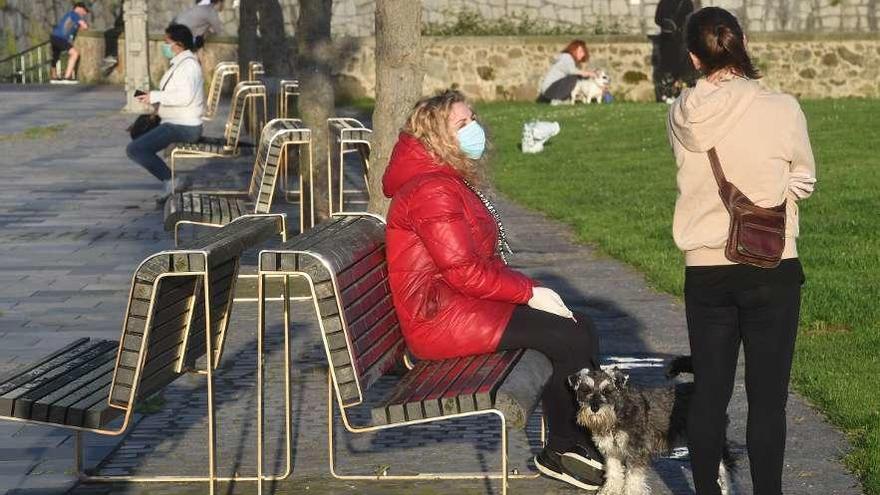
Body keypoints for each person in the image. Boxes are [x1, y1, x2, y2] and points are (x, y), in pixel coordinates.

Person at [382, 89, 605, 491]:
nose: (475, 130)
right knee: (569, 334)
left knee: (579, 324)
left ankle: (577, 440)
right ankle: (564, 448)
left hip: (456, 306)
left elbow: (469, 268)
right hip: (440, 319)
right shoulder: (431, 189)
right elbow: (463, 271)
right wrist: (528, 292)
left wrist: (528, 291)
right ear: (436, 136)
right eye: (462, 124)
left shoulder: (444, 179)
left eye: (473, 119)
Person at [666, 7, 816, 495]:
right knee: (768, 399)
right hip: (770, 263)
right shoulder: (782, 107)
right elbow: (805, 177)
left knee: (710, 393)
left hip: (705, 268)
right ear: (743, 41)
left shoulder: (680, 113)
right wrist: (778, 194)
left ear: (693, 57)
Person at [126, 24, 205, 199]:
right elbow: (172, 94)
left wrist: (155, 96)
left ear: (178, 44)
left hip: (184, 126)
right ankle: (171, 180)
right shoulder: (181, 64)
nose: (165, 46)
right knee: (138, 141)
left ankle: (172, 180)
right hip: (174, 122)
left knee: (135, 149)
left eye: (166, 42)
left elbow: (184, 97)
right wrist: (152, 99)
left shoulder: (188, 66)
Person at [653, 0, 698, 102]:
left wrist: (666, 24)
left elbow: (657, 19)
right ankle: (676, 94)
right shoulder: (686, 2)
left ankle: (667, 94)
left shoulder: (664, 2)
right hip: (679, 40)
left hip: (667, 40)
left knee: (667, 70)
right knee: (680, 70)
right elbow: (690, 20)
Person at [537, 40, 597, 104]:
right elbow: (571, 71)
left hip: (552, 89)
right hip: (549, 90)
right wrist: (588, 73)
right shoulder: (566, 57)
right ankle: (557, 100)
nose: (583, 54)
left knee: (580, 77)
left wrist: (588, 75)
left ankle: (567, 99)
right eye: (581, 51)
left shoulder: (570, 60)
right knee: (573, 77)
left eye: (583, 52)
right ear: (573, 50)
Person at [49, 2, 90, 83]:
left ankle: (54, 77)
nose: (84, 14)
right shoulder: (75, 14)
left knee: (56, 56)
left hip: (54, 36)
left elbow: (77, 27)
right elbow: (85, 26)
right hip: (60, 38)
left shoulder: (70, 15)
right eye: (84, 11)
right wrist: (84, 25)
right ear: (79, 8)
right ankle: (67, 77)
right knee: (74, 54)